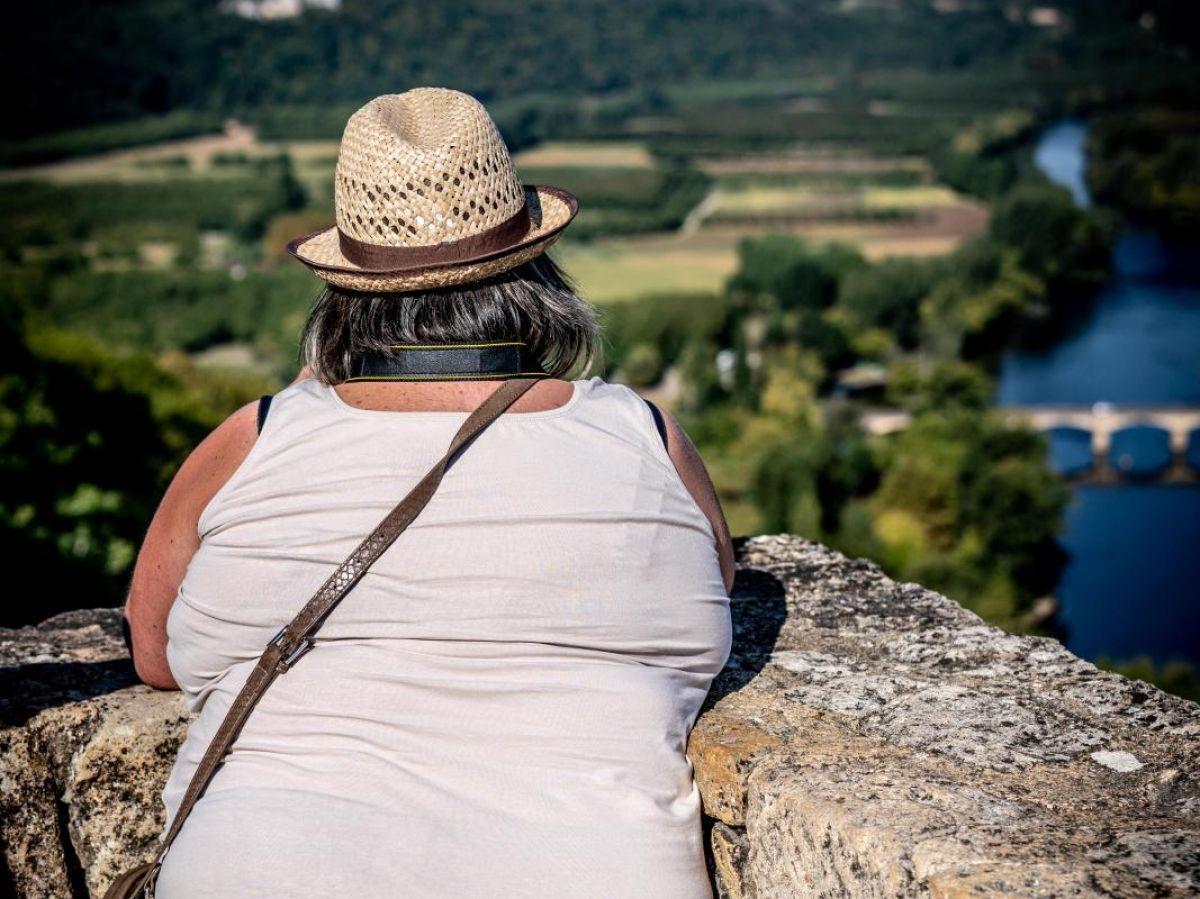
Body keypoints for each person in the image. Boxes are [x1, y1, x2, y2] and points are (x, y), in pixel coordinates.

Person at [124, 87, 734, 898]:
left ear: (345, 291)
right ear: (536, 270)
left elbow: (153, 650)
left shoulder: (252, 440)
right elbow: (715, 586)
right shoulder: (642, 435)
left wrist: (301, 403)